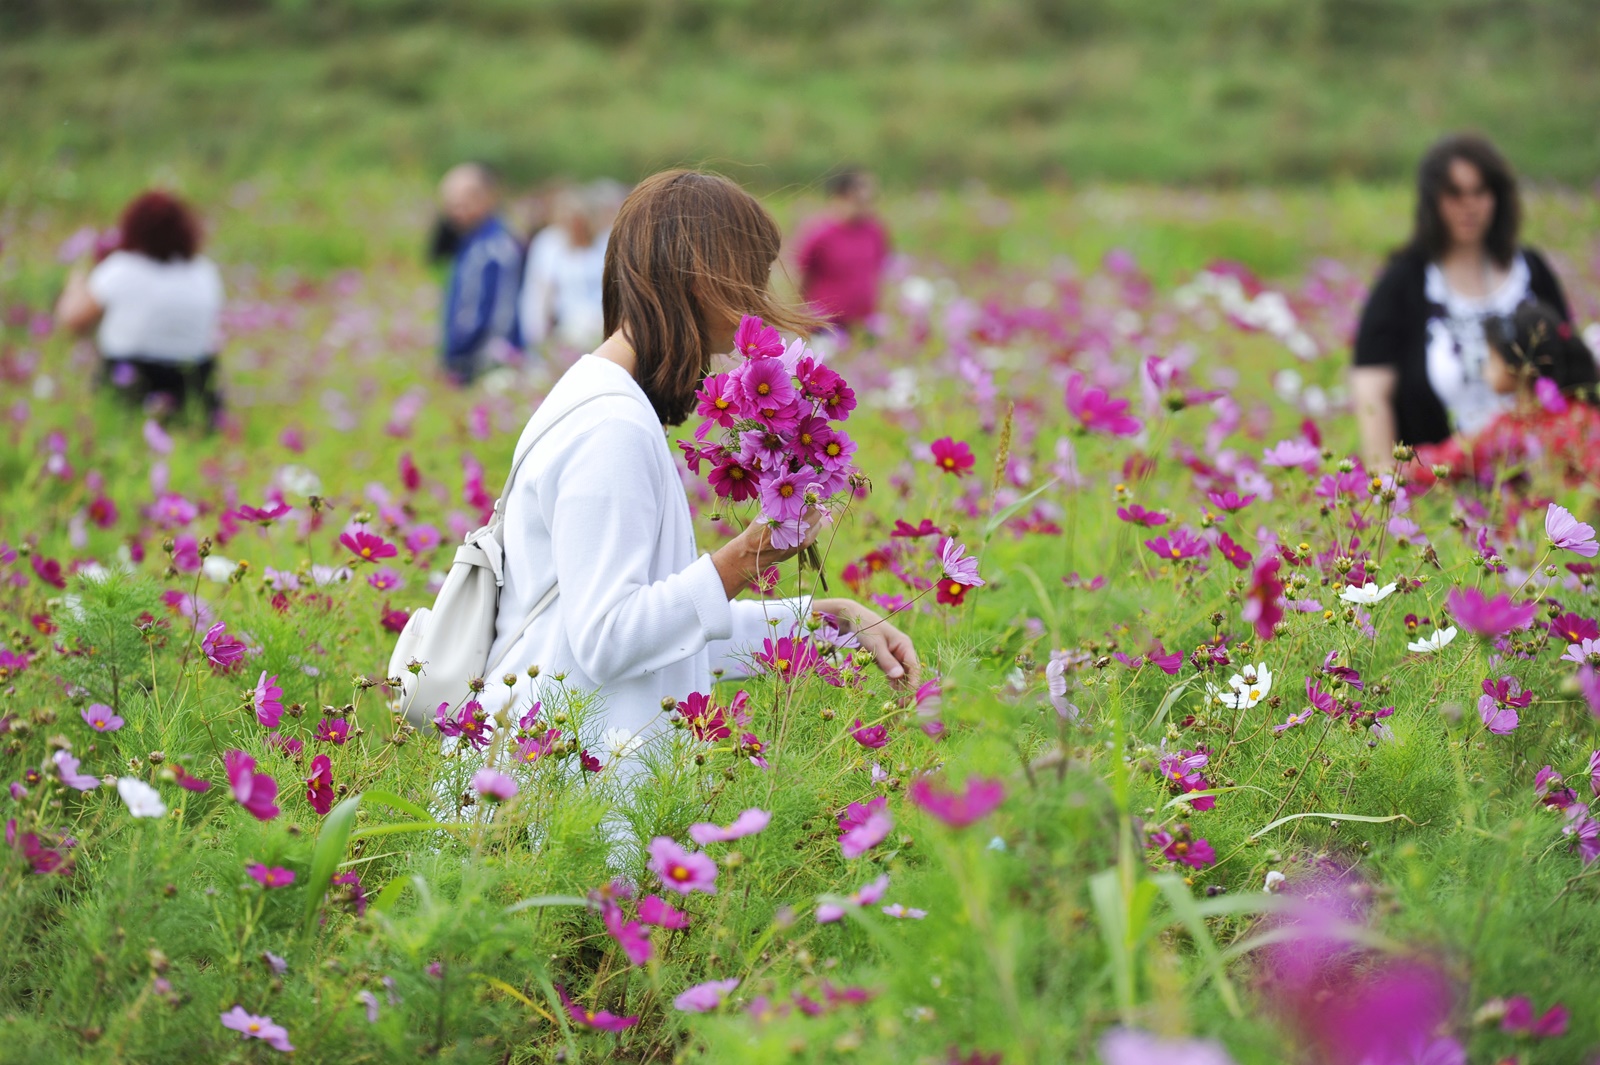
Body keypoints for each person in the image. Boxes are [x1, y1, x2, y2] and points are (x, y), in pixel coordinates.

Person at [484, 169, 917, 773]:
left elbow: (664, 637)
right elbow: (610, 638)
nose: (760, 301)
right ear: (703, 277)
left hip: (565, 765)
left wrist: (825, 622)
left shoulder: (599, 397)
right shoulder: (611, 426)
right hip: (556, 795)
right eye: (754, 274)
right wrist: (744, 560)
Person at [1351, 134, 1574, 470]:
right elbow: (1371, 390)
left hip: (1540, 474)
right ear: (1432, 202)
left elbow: (1570, 366)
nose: (1468, 205)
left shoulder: (1532, 271)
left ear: (1498, 197)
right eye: (1454, 194)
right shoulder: (1405, 281)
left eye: (1479, 192)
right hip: (1438, 478)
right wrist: (1386, 483)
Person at [54, 190, 225, 426]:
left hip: (131, 382)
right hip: (193, 385)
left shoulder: (122, 269)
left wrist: (76, 284)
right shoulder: (203, 272)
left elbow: (73, 321)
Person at [1413, 300, 1600, 487]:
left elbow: (1453, 460)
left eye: (1492, 359)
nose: (1485, 369)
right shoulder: (1583, 413)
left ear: (1517, 366)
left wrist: (1406, 465)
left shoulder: (1511, 429)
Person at [437, 163, 523, 385]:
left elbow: (500, 314)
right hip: (465, 362)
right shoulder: (469, 242)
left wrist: (460, 358)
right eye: (452, 206)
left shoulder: (496, 247)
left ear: (486, 198)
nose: (457, 213)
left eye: (464, 204)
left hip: (486, 366)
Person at [517, 181, 621, 355]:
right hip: (565, 329)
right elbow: (539, 293)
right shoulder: (550, 246)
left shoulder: (604, 244)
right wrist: (537, 335)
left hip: (601, 328)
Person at [794, 168, 890, 332]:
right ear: (840, 196)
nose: (867, 206)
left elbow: (878, 271)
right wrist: (801, 314)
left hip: (862, 321)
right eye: (859, 200)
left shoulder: (874, 231)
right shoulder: (819, 233)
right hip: (827, 322)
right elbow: (802, 276)